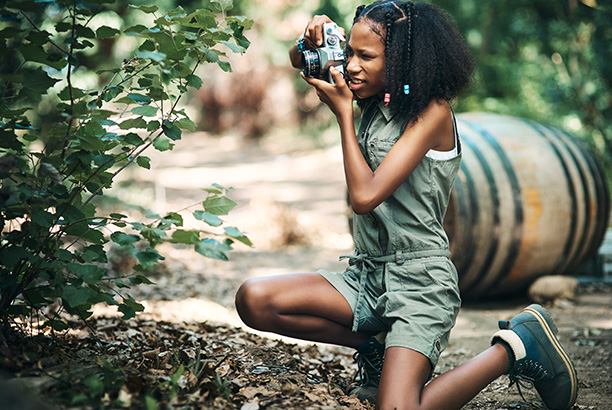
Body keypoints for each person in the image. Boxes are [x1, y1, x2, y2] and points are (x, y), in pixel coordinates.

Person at [235, 1, 578, 409]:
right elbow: (299, 61)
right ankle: (375, 346)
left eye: (366, 56)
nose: (352, 66)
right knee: (254, 299)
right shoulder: (373, 95)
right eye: (350, 54)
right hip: (367, 275)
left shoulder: (431, 113)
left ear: (400, 61)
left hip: (420, 284)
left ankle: (513, 348)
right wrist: (306, 39)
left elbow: (364, 198)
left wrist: (344, 115)